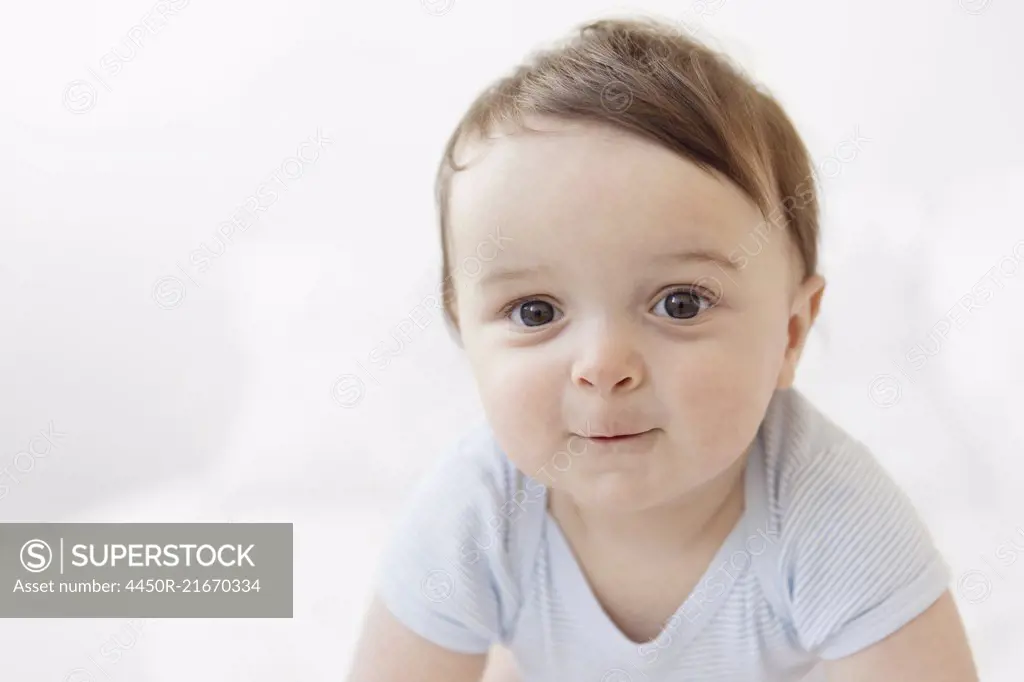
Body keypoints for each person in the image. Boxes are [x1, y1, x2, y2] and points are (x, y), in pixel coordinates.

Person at [346, 15, 979, 682]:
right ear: (465, 338)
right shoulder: (473, 518)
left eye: (680, 303)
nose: (603, 367)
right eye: (535, 312)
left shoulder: (835, 522)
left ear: (789, 335)